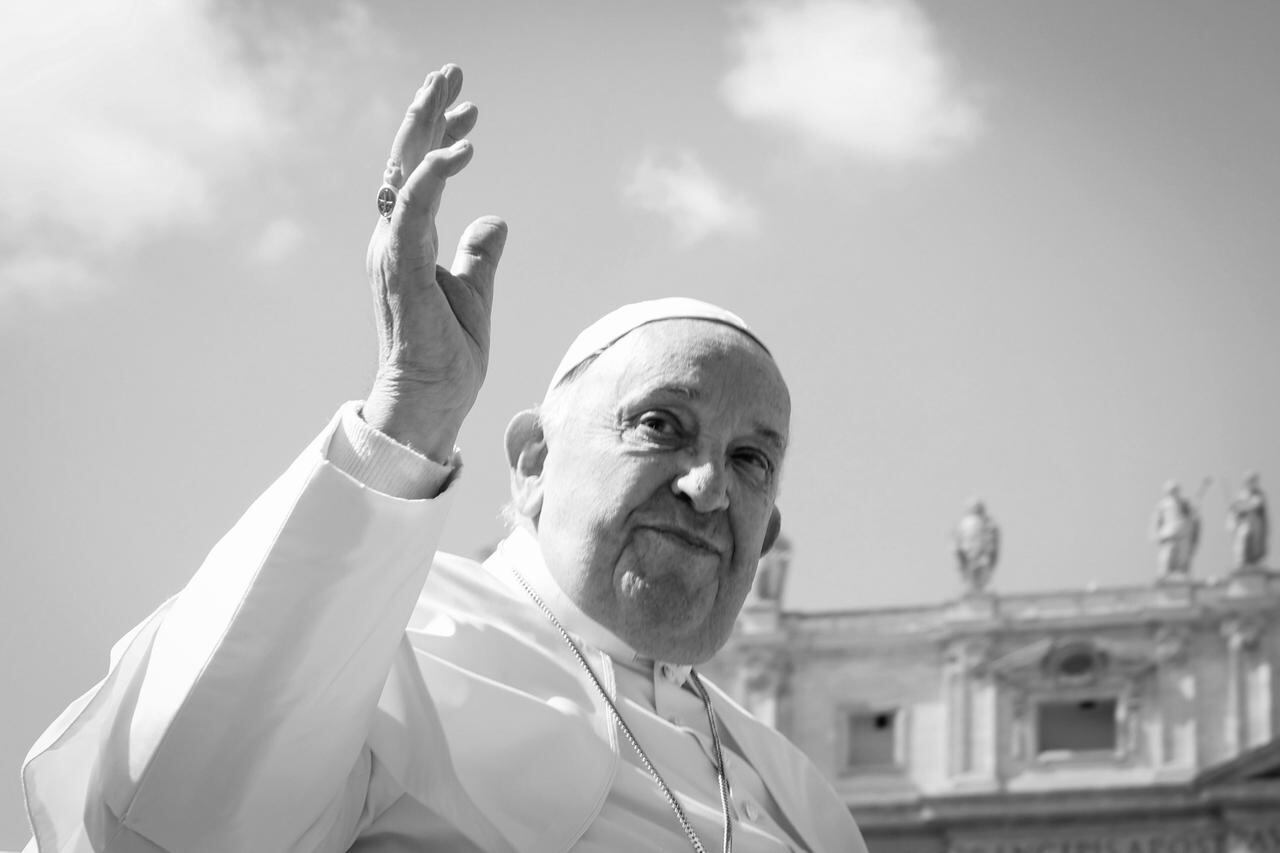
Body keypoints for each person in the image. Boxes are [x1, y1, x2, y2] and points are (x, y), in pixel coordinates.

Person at [22, 64, 866, 853]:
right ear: (532, 462)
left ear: (768, 533)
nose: (707, 486)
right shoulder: (389, 641)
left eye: (751, 460)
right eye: (660, 424)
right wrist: (413, 406)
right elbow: (177, 815)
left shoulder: (803, 796)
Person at [1149, 480, 1199, 578]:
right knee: (1166, 558)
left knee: (1182, 559)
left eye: (1175, 490)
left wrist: (1193, 514)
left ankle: (1182, 575)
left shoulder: (1184, 503)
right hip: (1169, 535)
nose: (1173, 492)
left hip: (1183, 534)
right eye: (1171, 490)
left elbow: (1191, 517)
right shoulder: (1163, 505)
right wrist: (1155, 534)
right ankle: (1164, 576)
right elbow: (1156, 521)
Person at [954, 499, 999, 594]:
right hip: (970, 552)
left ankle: (977, 590)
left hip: (980, 553)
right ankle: (974, 589)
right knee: (972, 571)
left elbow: (990, 538)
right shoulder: (964, 524)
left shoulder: (987, 522)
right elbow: (959, 540)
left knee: (980, 570)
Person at [1227, 472, 1268, 569]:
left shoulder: (1258, 494)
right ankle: (1242, 563)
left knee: (1254, 544)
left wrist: (1240, 508)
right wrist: (1234, 510)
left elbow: (1255, 505)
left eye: (1253, 481)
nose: (1252, 483)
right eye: (1250, 481)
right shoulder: (1241, 495)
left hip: (1254, 524)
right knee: (1243, 540)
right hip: (1244, 524)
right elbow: (1235, 512)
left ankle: (1252, 563)